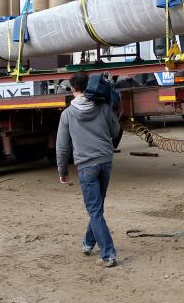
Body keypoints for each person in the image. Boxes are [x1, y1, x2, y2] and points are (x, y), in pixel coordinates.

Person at [57, 72, 122, 267]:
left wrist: (62, 171)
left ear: (73, 89)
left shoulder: (67, 114)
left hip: (86, 166)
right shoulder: (103, 107)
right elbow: (115, 131)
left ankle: (108, 253)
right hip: (105, 161)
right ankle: (88, 243)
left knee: (95, 210)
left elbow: (62, 146)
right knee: (97, 207)